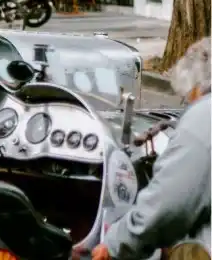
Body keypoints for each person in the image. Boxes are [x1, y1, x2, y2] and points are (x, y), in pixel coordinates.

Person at [74, 37, 210, 260]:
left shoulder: (204, 118)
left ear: (197, 86)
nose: (188, 104)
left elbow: (168, 206)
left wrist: (116, 243)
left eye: (187, 97)